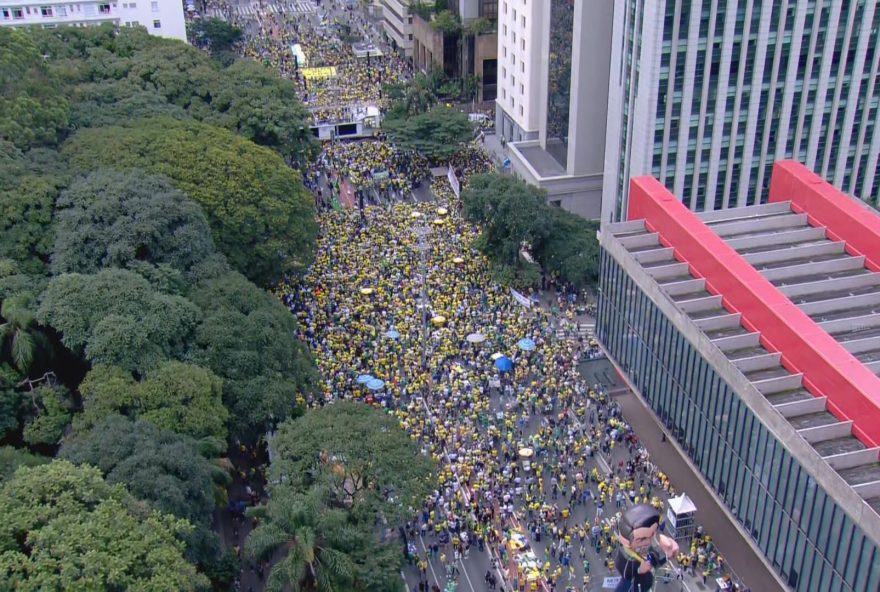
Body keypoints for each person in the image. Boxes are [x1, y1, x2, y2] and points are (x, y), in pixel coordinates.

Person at [614, 505, 679, 592]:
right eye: (641, 539)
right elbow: (624, 572)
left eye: (651, 535)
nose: (647, 542)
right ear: (626, 541)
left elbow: (654, 560)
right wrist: (639, 570)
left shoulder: (645, 554)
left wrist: (667, 553)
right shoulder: (628, 557)